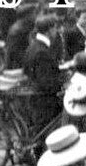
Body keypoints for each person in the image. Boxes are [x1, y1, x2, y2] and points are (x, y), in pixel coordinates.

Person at [24, 15, 67, 152]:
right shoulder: (42, 51)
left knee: (41, 131)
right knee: (45, 132)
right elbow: (47, 83)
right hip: (44, 100)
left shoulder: (34, 45)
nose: (57, 31)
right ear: (49, 30)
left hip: (37, 96)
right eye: (55, 28)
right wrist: (63, 83)